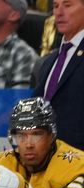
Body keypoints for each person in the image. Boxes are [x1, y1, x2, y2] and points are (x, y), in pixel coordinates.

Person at [32, 0, 84, 150]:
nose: (59, 12)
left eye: (67, 5)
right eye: (55, 6)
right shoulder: (48, 62)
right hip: (47, 158)